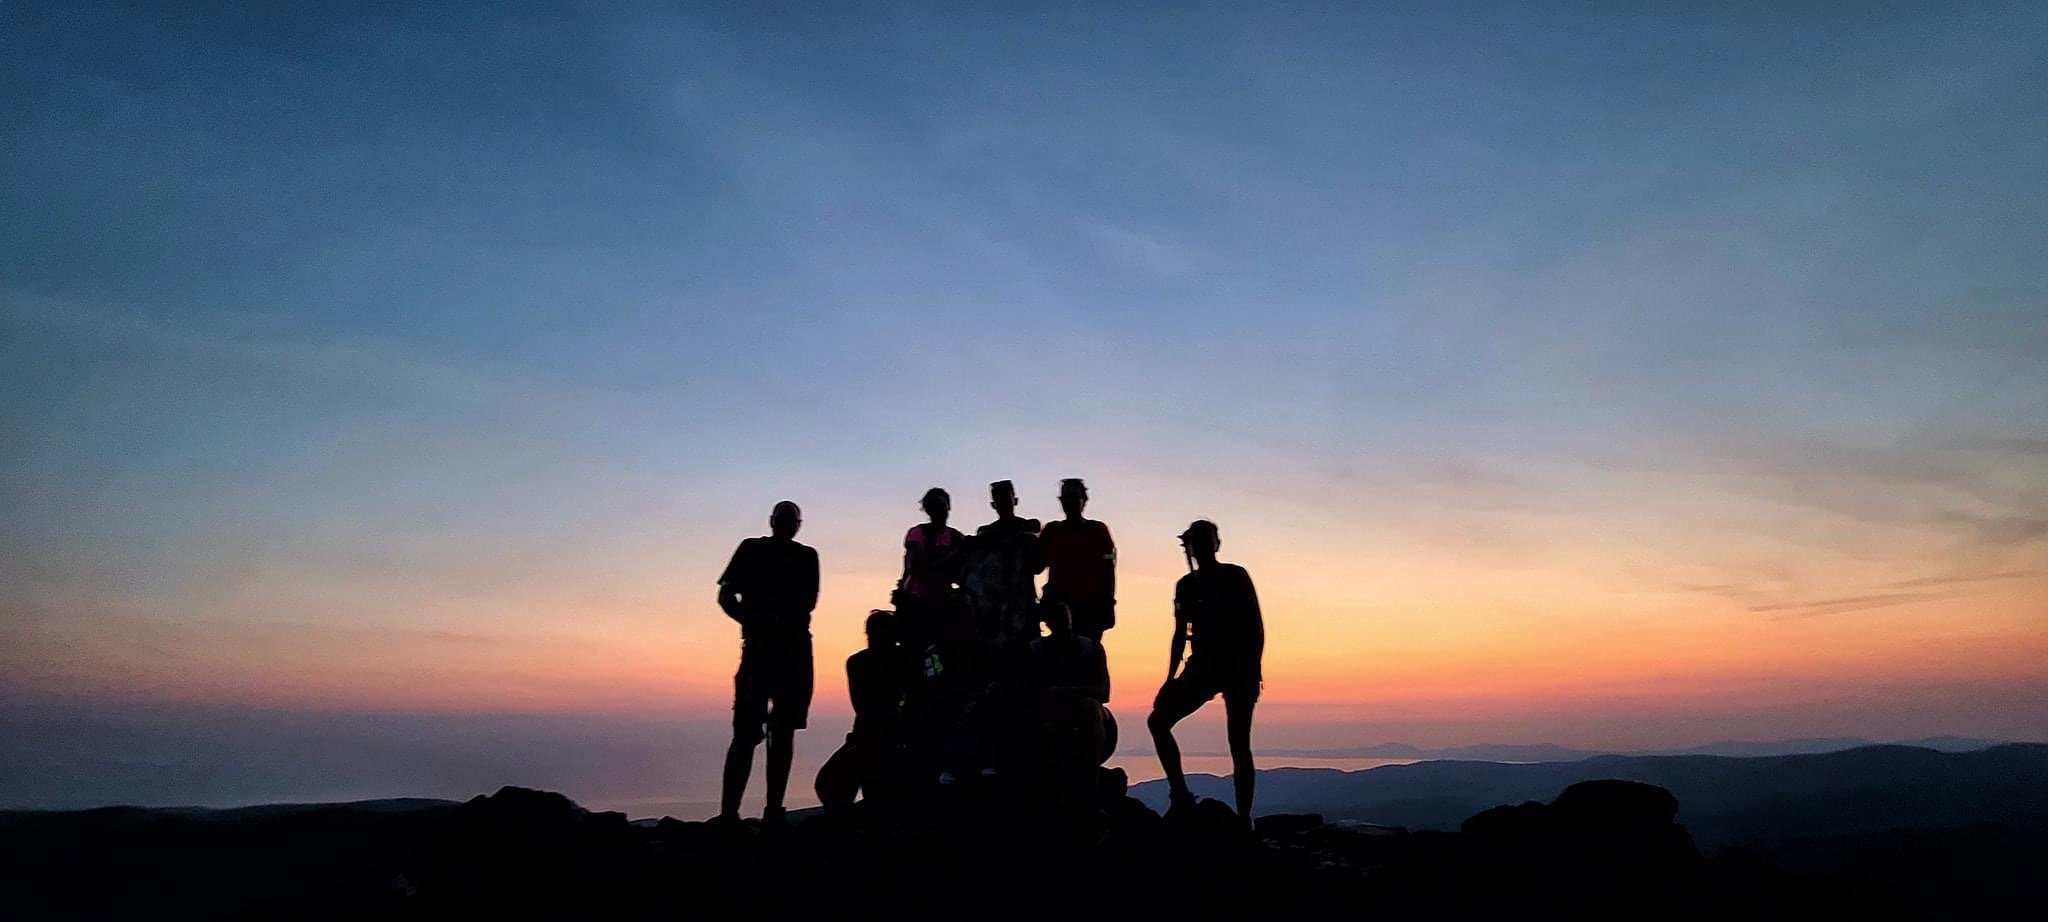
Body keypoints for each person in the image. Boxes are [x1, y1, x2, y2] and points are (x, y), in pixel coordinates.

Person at [1148, 519, 1264, 826]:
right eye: (1197, 541)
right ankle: (1181, 795)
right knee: (1158, 722)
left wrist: (1252, 670)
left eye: (1205, 540)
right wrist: (1169, 680)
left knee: (1239, 743)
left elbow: (1254, 625)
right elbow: (1179, 634)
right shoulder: (1186, 585)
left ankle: (1243, 818)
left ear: (1215, 544)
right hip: (1203, 667)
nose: (1201, 547)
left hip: (1236, 668)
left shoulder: (1235, 576)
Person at [716, 500, 819, 824]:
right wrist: (751, 621)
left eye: (792, 520)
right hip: (765, 649)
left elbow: (808, 601)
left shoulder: (806, 556)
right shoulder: (752, 549)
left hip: (790, 651)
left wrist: (754, 619)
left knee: (781, 732)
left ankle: (771, 810)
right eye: (784, 519)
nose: (787, 525)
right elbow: (726, 595)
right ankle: (731, 815)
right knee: (748, 734)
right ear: (773, 521)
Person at [816, 610, 913, 812]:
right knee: (830, 784)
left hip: (885, 738)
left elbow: (864, 706)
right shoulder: (865, 662)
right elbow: (863, 706)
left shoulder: (869, 661)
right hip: (869, 737)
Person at [1028, 601, 1112, 810]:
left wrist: (1066, 692)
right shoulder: (1036, 650)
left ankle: (1091, 785)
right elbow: (1030, 690)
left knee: (1090, 708)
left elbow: (1103, 692)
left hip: (1084, 712)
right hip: (1049, 712)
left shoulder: (1091, 649)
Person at [961, 479, 1042, 648]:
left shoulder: (1027, 530)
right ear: (993, 504)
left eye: (1006, 498)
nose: (1003, 503)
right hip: (993, 605)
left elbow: (1038, 566)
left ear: (1015, 500)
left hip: (1022, 602)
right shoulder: (986, 533)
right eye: (999, 499)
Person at [1039, 478, 1116, 642]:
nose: (1069, 502)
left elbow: (1108, 570)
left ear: (1084, 499)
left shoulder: (1098, 531)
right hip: (1059, 608)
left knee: (1087, 652)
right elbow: (1037, 564)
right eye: (1065, 497)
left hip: (1090, 608)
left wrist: (1108, 604)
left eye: (1074, 497)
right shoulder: (1052, 531)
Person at [895, 487, 965, 647]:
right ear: (928, 510)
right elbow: (918, 568)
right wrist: (954, 556)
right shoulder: (917, 533)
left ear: (949, 507)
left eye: (943, 505)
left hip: (943, 604)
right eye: (935, 506)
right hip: (915, 604)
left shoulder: (955, 537)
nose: (940, 510)